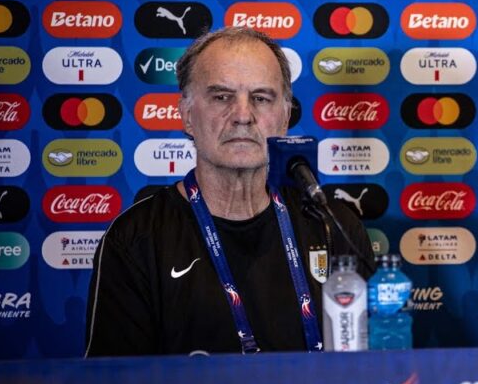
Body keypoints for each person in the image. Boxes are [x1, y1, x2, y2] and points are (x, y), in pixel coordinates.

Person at [84, 27, 373, 356]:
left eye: (261, 98)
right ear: (187, 116)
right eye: (221, 97)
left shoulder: (334, 226)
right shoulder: (135, 239)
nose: (242, 116)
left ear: (285, 117)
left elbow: (372, 375)